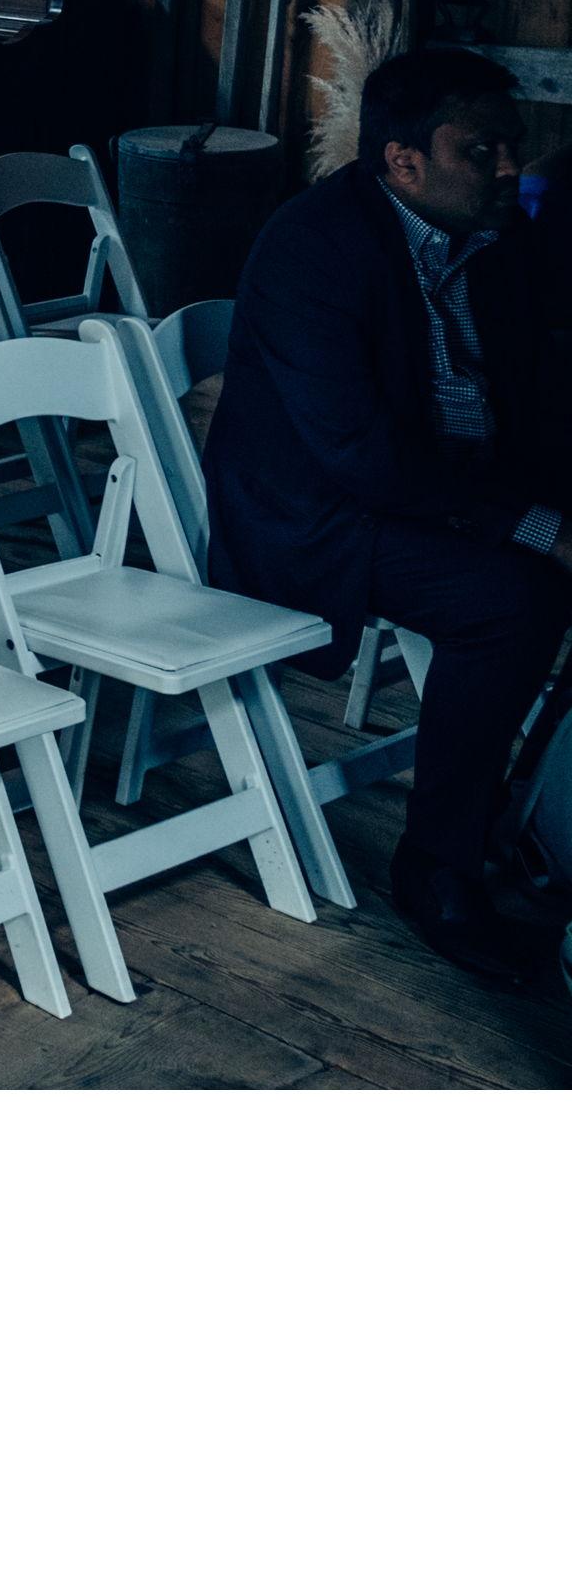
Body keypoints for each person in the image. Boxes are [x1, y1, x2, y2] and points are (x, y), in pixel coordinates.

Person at [209, 48, 572, 984]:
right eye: (481, 150)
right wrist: (540, 526)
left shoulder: (494, 233)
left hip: (436, 489)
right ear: (404, 162)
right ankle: (438, 870)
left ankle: (534, 816)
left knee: (544, 566)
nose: (508, 168)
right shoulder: (314, 247)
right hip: (318, 518)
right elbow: (362, 459)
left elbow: (534, 394)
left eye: (511, 145)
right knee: (515, 601)